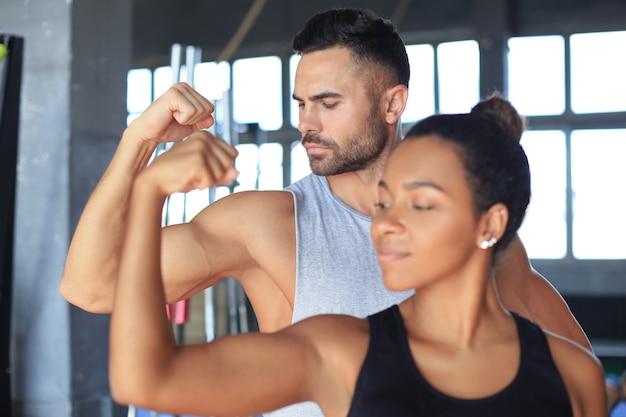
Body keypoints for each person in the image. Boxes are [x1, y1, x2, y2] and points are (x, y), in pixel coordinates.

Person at [61, 8, 592, 416]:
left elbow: (574, 375)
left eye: (328, 103)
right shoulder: (266, 224)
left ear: (392, 104)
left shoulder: (477, 241)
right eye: (300, 103)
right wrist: (140, 142)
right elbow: (91, 285)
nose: (307, 123)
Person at [108, 95, 607, 417]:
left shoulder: (572, 375)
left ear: (490, 225)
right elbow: (146, 379)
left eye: (422, 203)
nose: (386, 223)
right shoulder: (340, 350)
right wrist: (150, 188)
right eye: (385, 201)